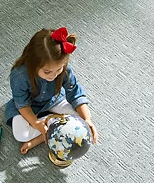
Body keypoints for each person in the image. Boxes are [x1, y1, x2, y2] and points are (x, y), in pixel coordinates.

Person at [5, 27, 98, 155]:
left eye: (58, 70)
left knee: (81, 120)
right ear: (32, 63)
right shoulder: (19, 75)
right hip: (29, 107)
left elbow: (75, 92)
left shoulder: (64, 69)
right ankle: (52, 122)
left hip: (55, 100)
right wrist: (37, 123)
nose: (53, 76)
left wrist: (87, 120)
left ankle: (43, 134)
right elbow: (23, 104)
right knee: (21, 134)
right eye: (47, 71)